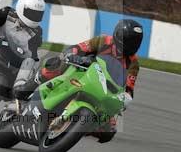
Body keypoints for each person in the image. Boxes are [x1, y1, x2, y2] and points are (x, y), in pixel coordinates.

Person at [14, 19, 144, 142]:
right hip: (81, 70)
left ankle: (75, 127)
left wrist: (124, 99)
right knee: (58, 64)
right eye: (128, 41)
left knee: (109, 130)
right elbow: (79, 47)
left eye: (135, 42)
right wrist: (73, 54)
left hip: (103, 89)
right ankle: (29, 86)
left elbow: (129, 88)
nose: (131, 45)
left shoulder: (133, 64)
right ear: (118, 35)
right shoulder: (104, 41)